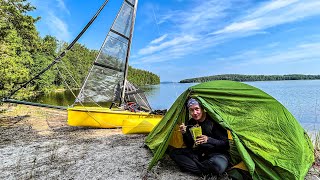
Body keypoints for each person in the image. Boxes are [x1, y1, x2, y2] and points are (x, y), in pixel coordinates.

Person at [169, 98, 229, 176]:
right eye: (191, 110)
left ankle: (194, 167)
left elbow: (225, 144)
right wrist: (184, 133)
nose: (195, 113)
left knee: (217, 167)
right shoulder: (191, 123)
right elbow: (190, 145)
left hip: (217, 154)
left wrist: (209, 139)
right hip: (199, 153)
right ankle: (202, 169)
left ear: (202, 108)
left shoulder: (213, 121)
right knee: (174, 153)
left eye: (197, 109)